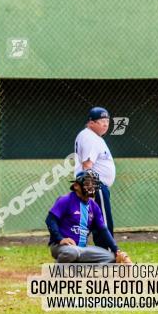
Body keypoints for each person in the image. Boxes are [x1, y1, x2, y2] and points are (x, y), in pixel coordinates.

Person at [46, 170, 131, 264]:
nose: (92, 187)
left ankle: (80, 270)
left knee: (110, 258)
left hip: (82, 248)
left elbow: (103, 230)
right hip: (61, 246)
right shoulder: (65, 200)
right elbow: (50, 220)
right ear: (76, 186)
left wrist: (117, 251)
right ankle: (57, 268)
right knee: (72, 252)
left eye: (93, 183)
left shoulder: (94, 206)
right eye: (87, 183)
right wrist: (60, 239)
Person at [74, 107, 116, 236]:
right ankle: (108, 251)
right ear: (91, 123)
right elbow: (87, 165)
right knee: (103, 221)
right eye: (101, 121)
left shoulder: (93, 137)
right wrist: (91, 190)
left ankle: (95, 252)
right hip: (95, 185)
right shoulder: (89, 137)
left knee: (94, 222)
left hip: (96, 186)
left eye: (107, 121)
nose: (105, 124)